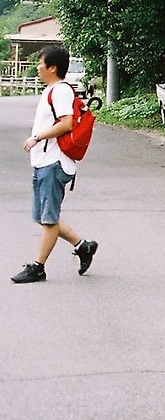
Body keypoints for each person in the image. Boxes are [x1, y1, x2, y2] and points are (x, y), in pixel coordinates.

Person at [12, 45, 97, 283]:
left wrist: (37, 137)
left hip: (53, 162)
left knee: (49, 219)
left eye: (40, 63)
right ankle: (83, 246)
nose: (37, 68)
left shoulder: (60, 91)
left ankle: (38, 267)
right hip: (43, 162)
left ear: (52, 67)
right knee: (42, 217)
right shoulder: (52, 90)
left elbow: (67, 123)